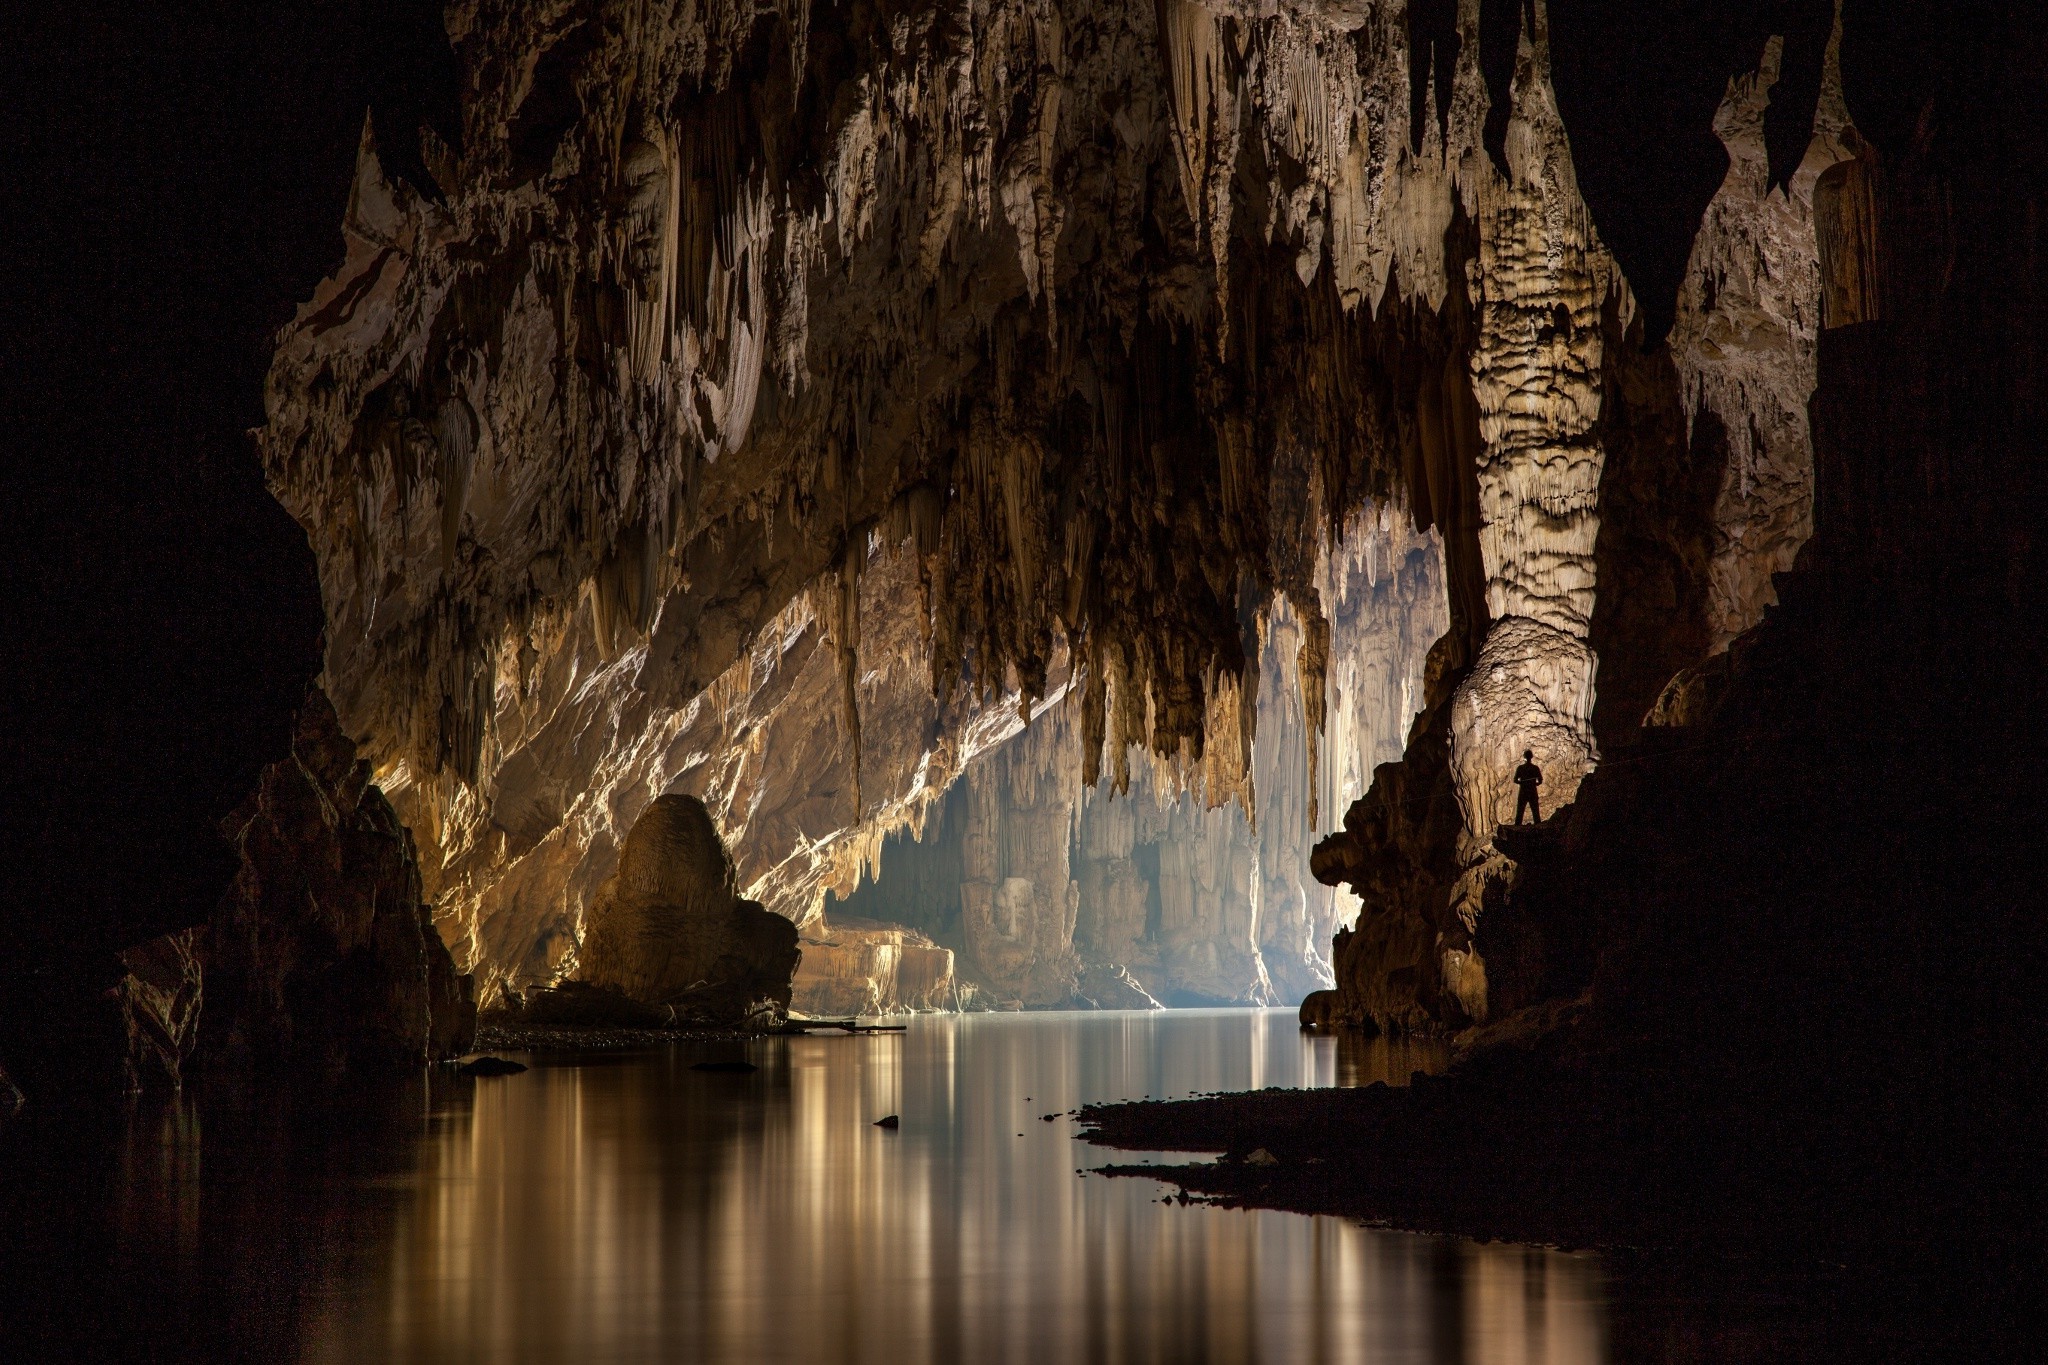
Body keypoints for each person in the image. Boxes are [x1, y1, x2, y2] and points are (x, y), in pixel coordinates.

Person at [1513, 749, 1543, 825]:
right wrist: (1534, 783)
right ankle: (1538, 829)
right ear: (1531, 757)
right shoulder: (1535, 768)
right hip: (1532, 791)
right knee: (1535, 812)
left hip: (1523, 791)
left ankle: (1517, 830)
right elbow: (1540, 781)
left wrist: (1522, 782)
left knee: (1520, 812)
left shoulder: (1520, 768)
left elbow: (1515, 780)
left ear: (1524, 757)